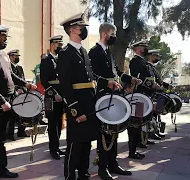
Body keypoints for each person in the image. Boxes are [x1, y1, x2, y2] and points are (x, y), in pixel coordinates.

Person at [57, 13, 121, 180]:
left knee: (86, 142)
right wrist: (75, 110)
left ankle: (83, 173)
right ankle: (70, 176)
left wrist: (107, 83)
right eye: (82, 27)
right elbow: (65, 85)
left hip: (90, 103)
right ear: (72, 30)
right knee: (75, 144)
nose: (84, 30)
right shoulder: (65, 53)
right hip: (78, 105)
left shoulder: (83, 51)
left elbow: (92, 77)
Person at [0, 25, 37, 180]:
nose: (6, 41)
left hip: (7, 103)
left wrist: (25, 84)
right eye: (5, 38)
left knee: (1, 139)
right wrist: (2, 101)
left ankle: (1, 169)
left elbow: (10, 75)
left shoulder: (2, 55)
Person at [89, 23, 138, 180]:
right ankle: (103, 167)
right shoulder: (94, 52)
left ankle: (113, 163)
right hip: (103, 98)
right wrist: (107, 83)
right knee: (104, 133)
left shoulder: (107, 52)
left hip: (113, 97)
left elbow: (117, 72)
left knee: (114, 131)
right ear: (104, 34)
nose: (114, 36)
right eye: (113, 33)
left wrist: (131, 78)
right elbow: (91, 76)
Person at [128, 40, 162, 159]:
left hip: (144, 95)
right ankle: (132, 151)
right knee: (135, 124)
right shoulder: (135, 61)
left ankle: (138, 145)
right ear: (137, 48)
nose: (145, 48)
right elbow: (139, 78)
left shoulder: (142, 62)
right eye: (144, 47)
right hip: (138, 96)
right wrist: (153, 86)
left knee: (141, 122)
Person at [40, 35, 65, 160]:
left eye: (61, 44)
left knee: (59, 123)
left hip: (61, 95)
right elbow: (44, 80)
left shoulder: (60, 59)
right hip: (51, 96)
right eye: (58, 44)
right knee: (52, 123)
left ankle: (57, 147)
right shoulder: (46, 60)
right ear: (52, 45)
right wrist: (55, 93)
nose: (60, 46)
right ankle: (53, 149)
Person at [6, 49, 28, 141]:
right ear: (10, 57)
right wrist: (16, 90)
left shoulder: (20, 68)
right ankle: (9, 134)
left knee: (22, 114)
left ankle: (21, 131)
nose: (17, 58)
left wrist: (24, 89)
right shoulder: (8, 67)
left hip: (21, 93)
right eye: (15, 56)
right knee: (12, 116)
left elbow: (23, 79)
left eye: (18, 57)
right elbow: (9, 81)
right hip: (13, 94)